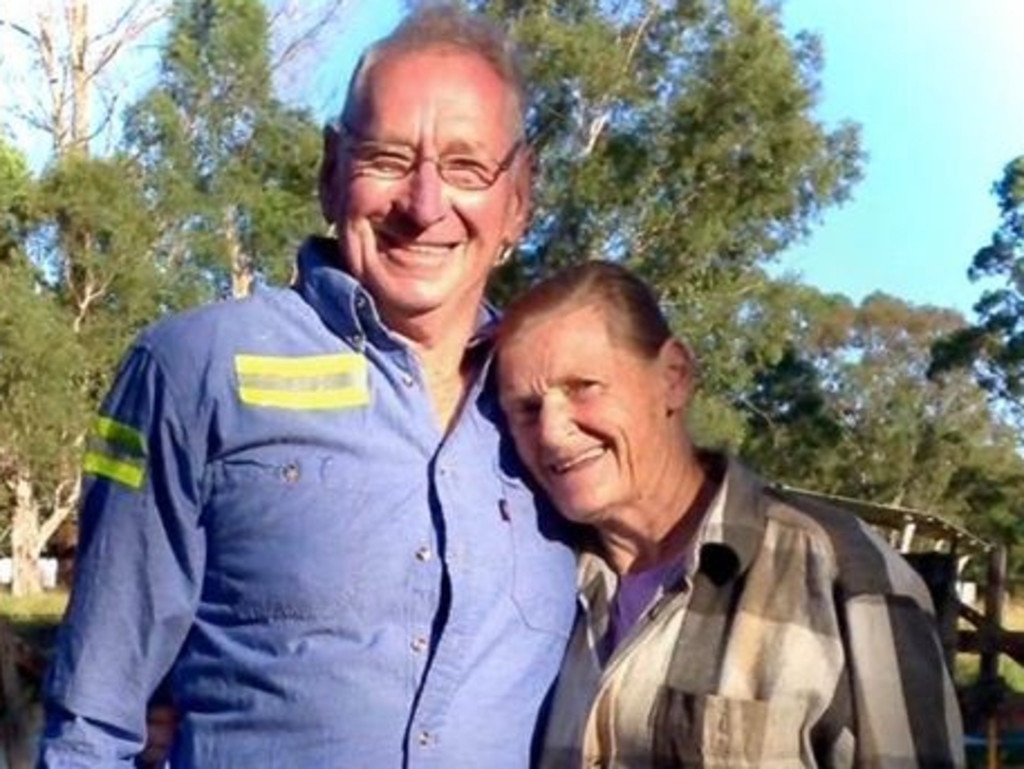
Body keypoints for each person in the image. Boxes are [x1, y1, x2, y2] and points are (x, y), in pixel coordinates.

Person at [38, 5, 577, 767]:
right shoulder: (191, 370)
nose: (424, 207)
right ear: (330, 171)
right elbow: (92, 722)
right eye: (388, 159)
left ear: (518, 196)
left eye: (466, 169)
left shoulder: (566, 417)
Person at [495, 261, 966, 768]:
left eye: (583, 386)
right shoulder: (532, 586)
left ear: (674, 377)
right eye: (525, 408)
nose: (551, 431)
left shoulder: (842, 574)